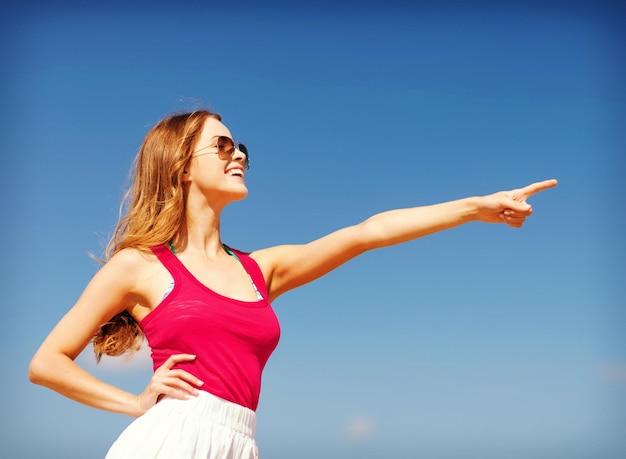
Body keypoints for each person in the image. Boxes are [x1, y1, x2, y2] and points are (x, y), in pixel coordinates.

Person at [29, 109, 557, 459]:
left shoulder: (262, 270)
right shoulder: (140, 266)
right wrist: (135, 403)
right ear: (181, 167)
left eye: (241, 148)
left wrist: (473, 208)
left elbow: (365, 233)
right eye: (223, 145)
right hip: (173, 439)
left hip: (242, 441)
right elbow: (46, 363)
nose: (238, 154)